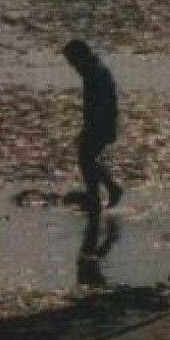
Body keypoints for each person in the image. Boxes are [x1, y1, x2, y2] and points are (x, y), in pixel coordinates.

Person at [62, 40, 123, 212]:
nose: (72, 66)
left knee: (86, 159)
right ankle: (96, 195)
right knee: (87, 159)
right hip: (101, 122)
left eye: (72, 61)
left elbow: (99, 104)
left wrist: (91, 126)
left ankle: (107, 191)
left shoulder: (93, 73)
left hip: (100, 123)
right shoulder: (94, 70)